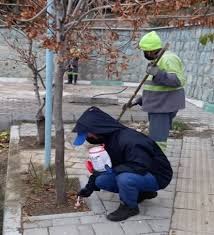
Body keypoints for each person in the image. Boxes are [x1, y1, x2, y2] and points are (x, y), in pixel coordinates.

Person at [72, 106, 173, 221]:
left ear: (97, 130)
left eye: (87, 135)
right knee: (101, 180)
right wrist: (89, 188)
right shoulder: (109, 140)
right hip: (140, 171)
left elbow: (139, 166)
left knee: (124, 178)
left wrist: (113, 170)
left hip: (157, 175)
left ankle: (130, 207)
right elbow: (104, 168)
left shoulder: (130, 140)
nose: (88, 139)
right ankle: (142, 193)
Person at [131, 31, 186, 151]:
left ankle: (158, 165)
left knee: (158, 142)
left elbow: (177, 80)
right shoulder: (158, 60)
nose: (144, 54)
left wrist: (157, 73)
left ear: (151, 50)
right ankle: (157, 162)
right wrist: (142, 100)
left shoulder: (168, 59)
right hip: (159, 105)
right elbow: (155, 87)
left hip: (163, 107)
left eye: (145, 51)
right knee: (157, 139)